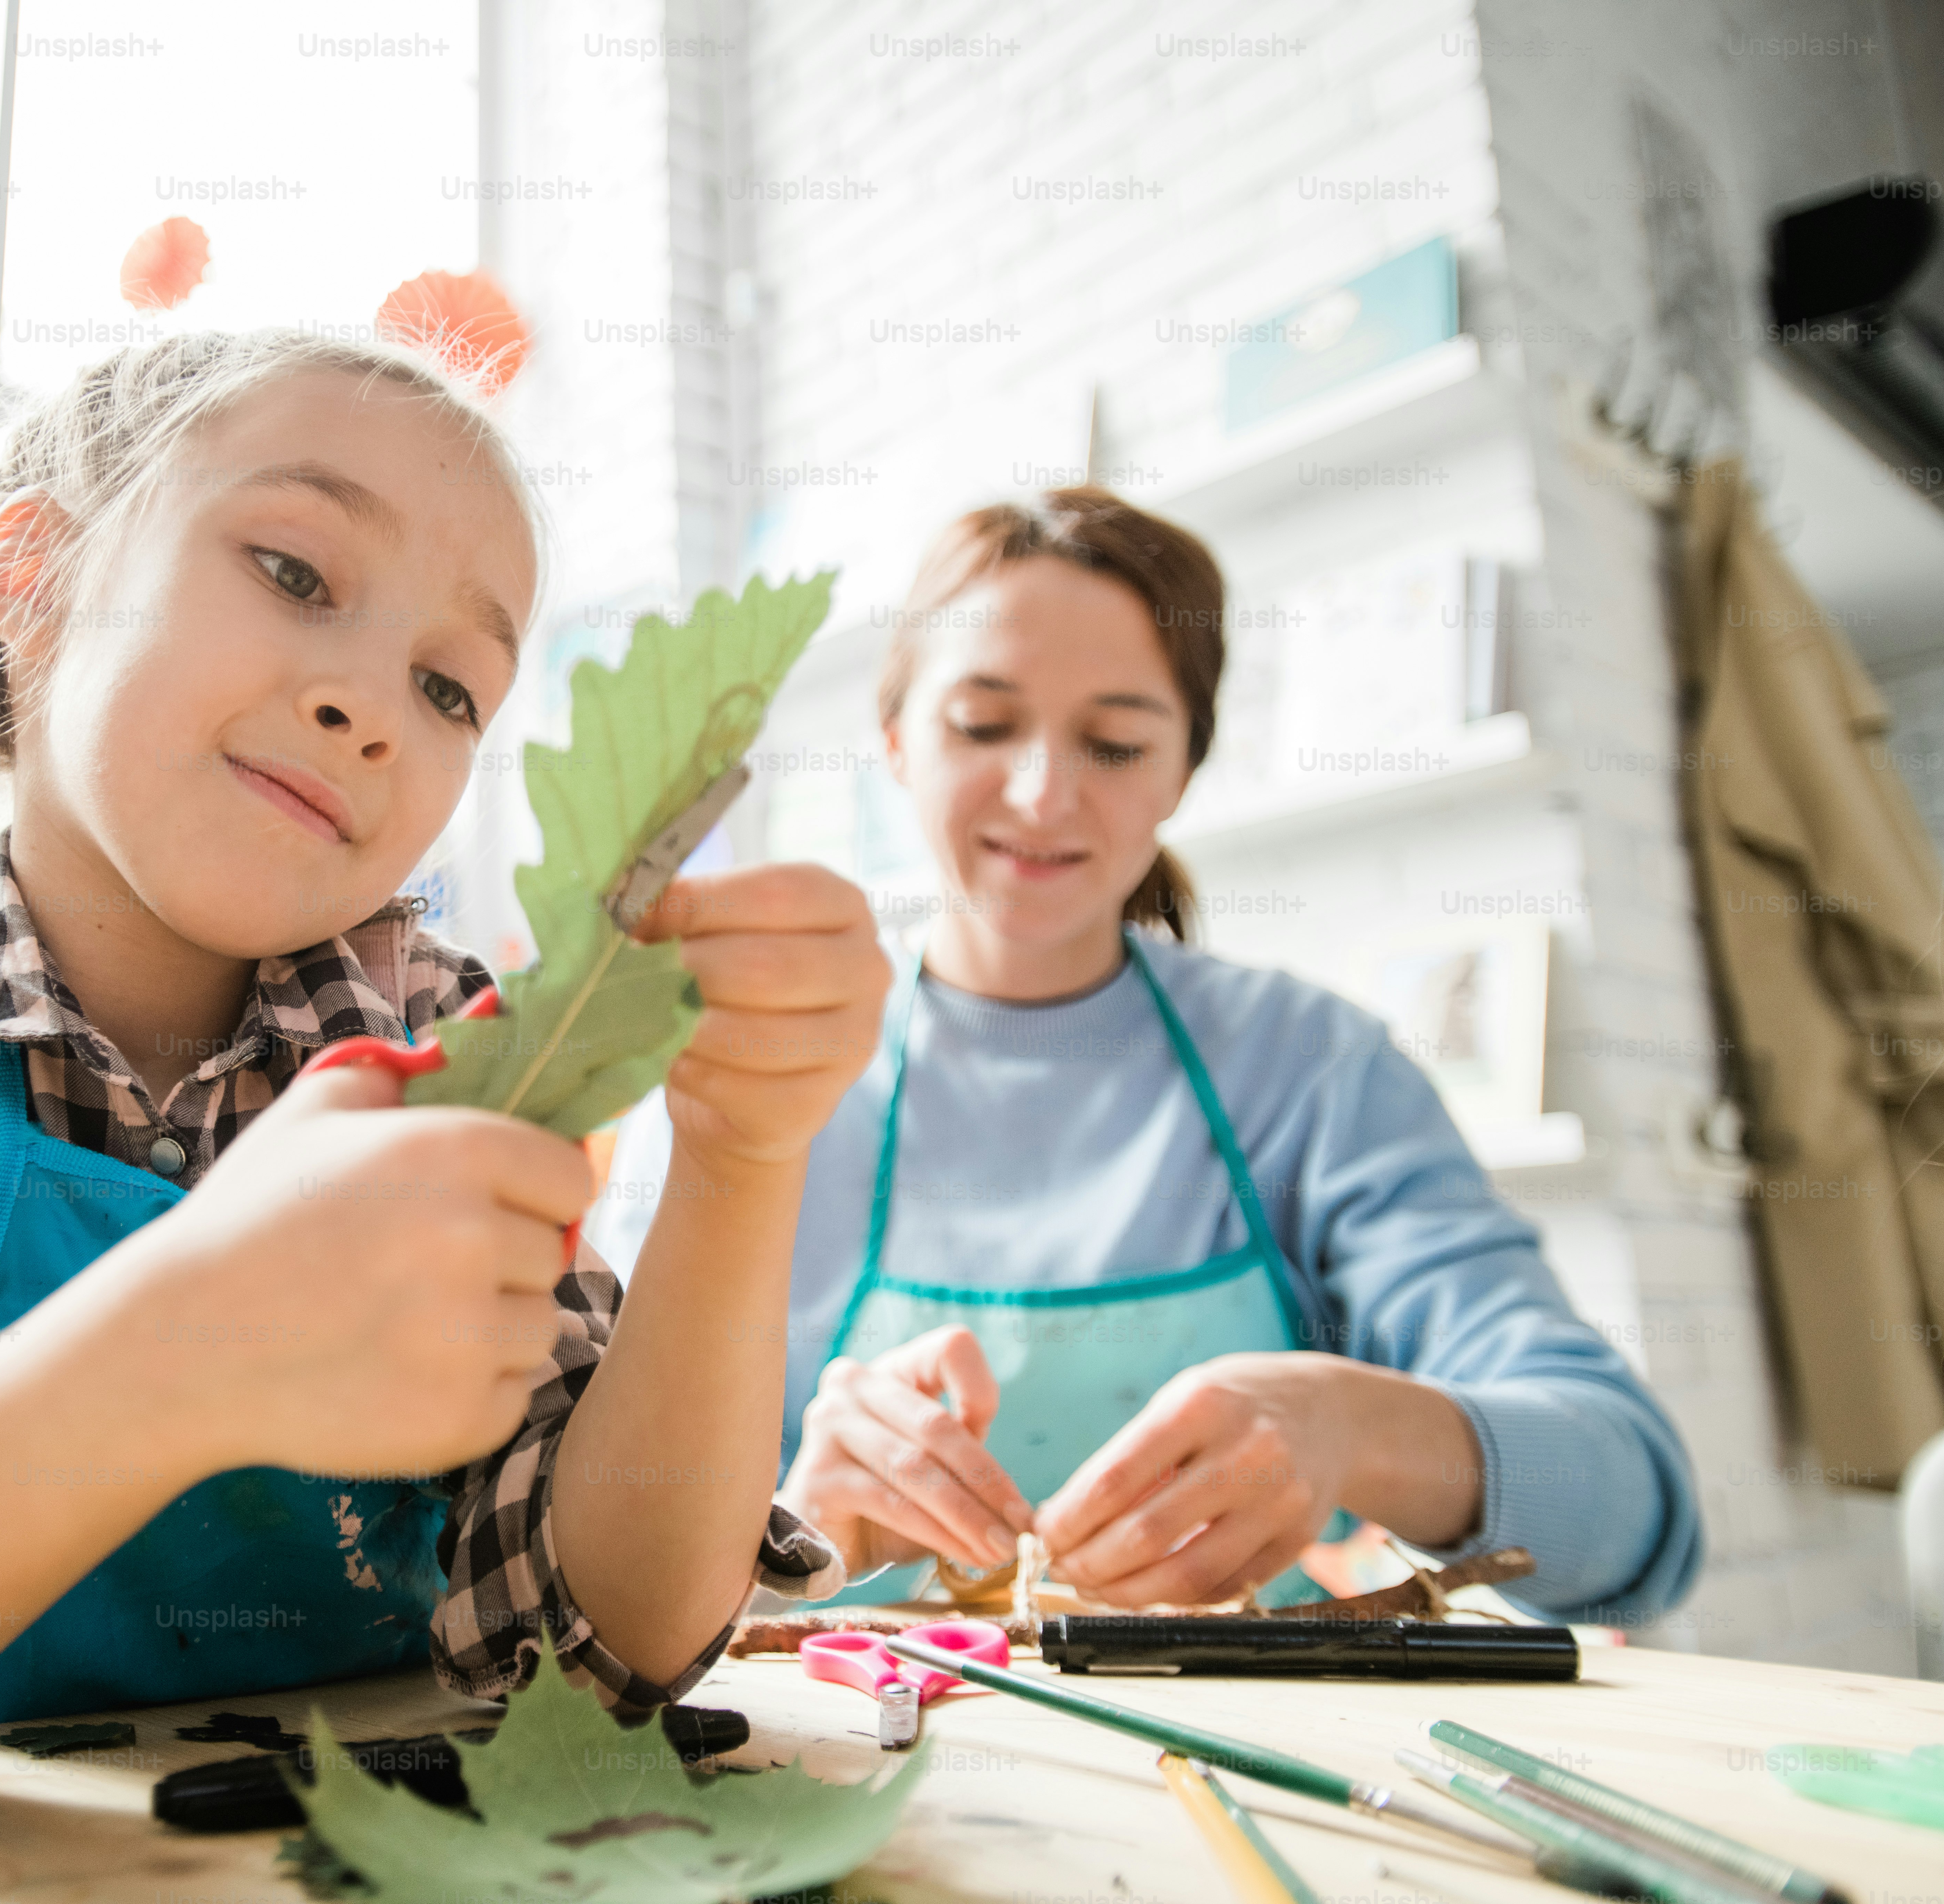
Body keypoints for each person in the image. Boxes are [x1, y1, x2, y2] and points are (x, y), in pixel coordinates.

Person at [0, 331, 889, 1797]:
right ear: (35, 576)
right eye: (295, 574)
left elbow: (600, 1646)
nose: (369, 703)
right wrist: (190, 1342)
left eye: (449, 687)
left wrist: (745, 1159)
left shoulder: (451, 1039)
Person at [590, 488, 1701, 1622]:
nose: (1043, 795)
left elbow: (1638, 1514)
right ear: (894, 743)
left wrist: (1347, 1425)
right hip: (838, 1776)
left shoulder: (1312, 1071)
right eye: (982, 725)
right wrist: (790, 1527)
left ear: (1180, 774)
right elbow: (574, 1562)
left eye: (1115, 743)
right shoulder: (739, 1075)